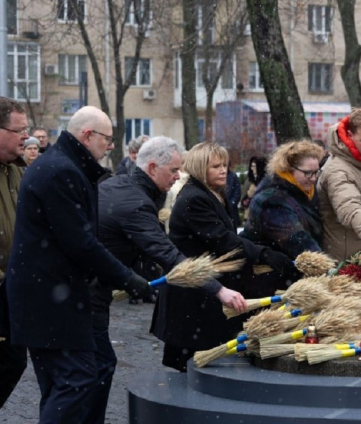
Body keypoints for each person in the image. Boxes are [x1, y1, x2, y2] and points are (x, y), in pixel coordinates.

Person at [4, 106, 153, 422]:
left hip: (42, 296)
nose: (110, 146)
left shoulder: (57, 165)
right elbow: (81, 243)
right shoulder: (62, 171)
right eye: (107, 139)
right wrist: (128, 278)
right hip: (52, 300)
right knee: (78, 378)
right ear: (87, 135)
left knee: (60, 383)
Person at [152, 142, 297, 372]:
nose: (223, 170)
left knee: (200, 363)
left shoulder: (213, 193)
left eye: (225, 165)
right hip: (193, 293)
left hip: (202, 290)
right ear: (200, 168)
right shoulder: (195, 199)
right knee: (192, 364)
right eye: (215, 166)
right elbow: (223, 240)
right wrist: (264, 254)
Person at [88, 136, 189, 423]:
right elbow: (164, 252)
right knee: (97, 365)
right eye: (173, 170)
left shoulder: (120, 186)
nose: (179, 176)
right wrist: (216, 286)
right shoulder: (133, 201)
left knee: (91, 367)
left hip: (91, 290)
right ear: (153, 167)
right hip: (87, 292)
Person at [317, 106, 361, 261]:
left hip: (360, 258)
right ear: (349, 135)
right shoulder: (337, 170)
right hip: (341, 264)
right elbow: (350, 209)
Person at [241, 140, 325, 260]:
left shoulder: (304, 189)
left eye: (316, 172)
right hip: (272, 270)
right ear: (288, 169)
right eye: (308, 173)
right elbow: (297, 240)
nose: (313, 178)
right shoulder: (272, 199)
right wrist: (326, 266)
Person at [0, 97, 29, 410]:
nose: (26, 137)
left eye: (27, 130)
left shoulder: (18, 174)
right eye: (18, 130)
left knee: (14, 361)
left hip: (13, 289)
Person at [240, 156, 267, 220]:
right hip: (249, 213)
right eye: (251, 166)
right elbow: (244, 196)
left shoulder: (266, 181)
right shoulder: (249, 179)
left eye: (254, 166)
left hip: (262, 215)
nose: (252, 168)